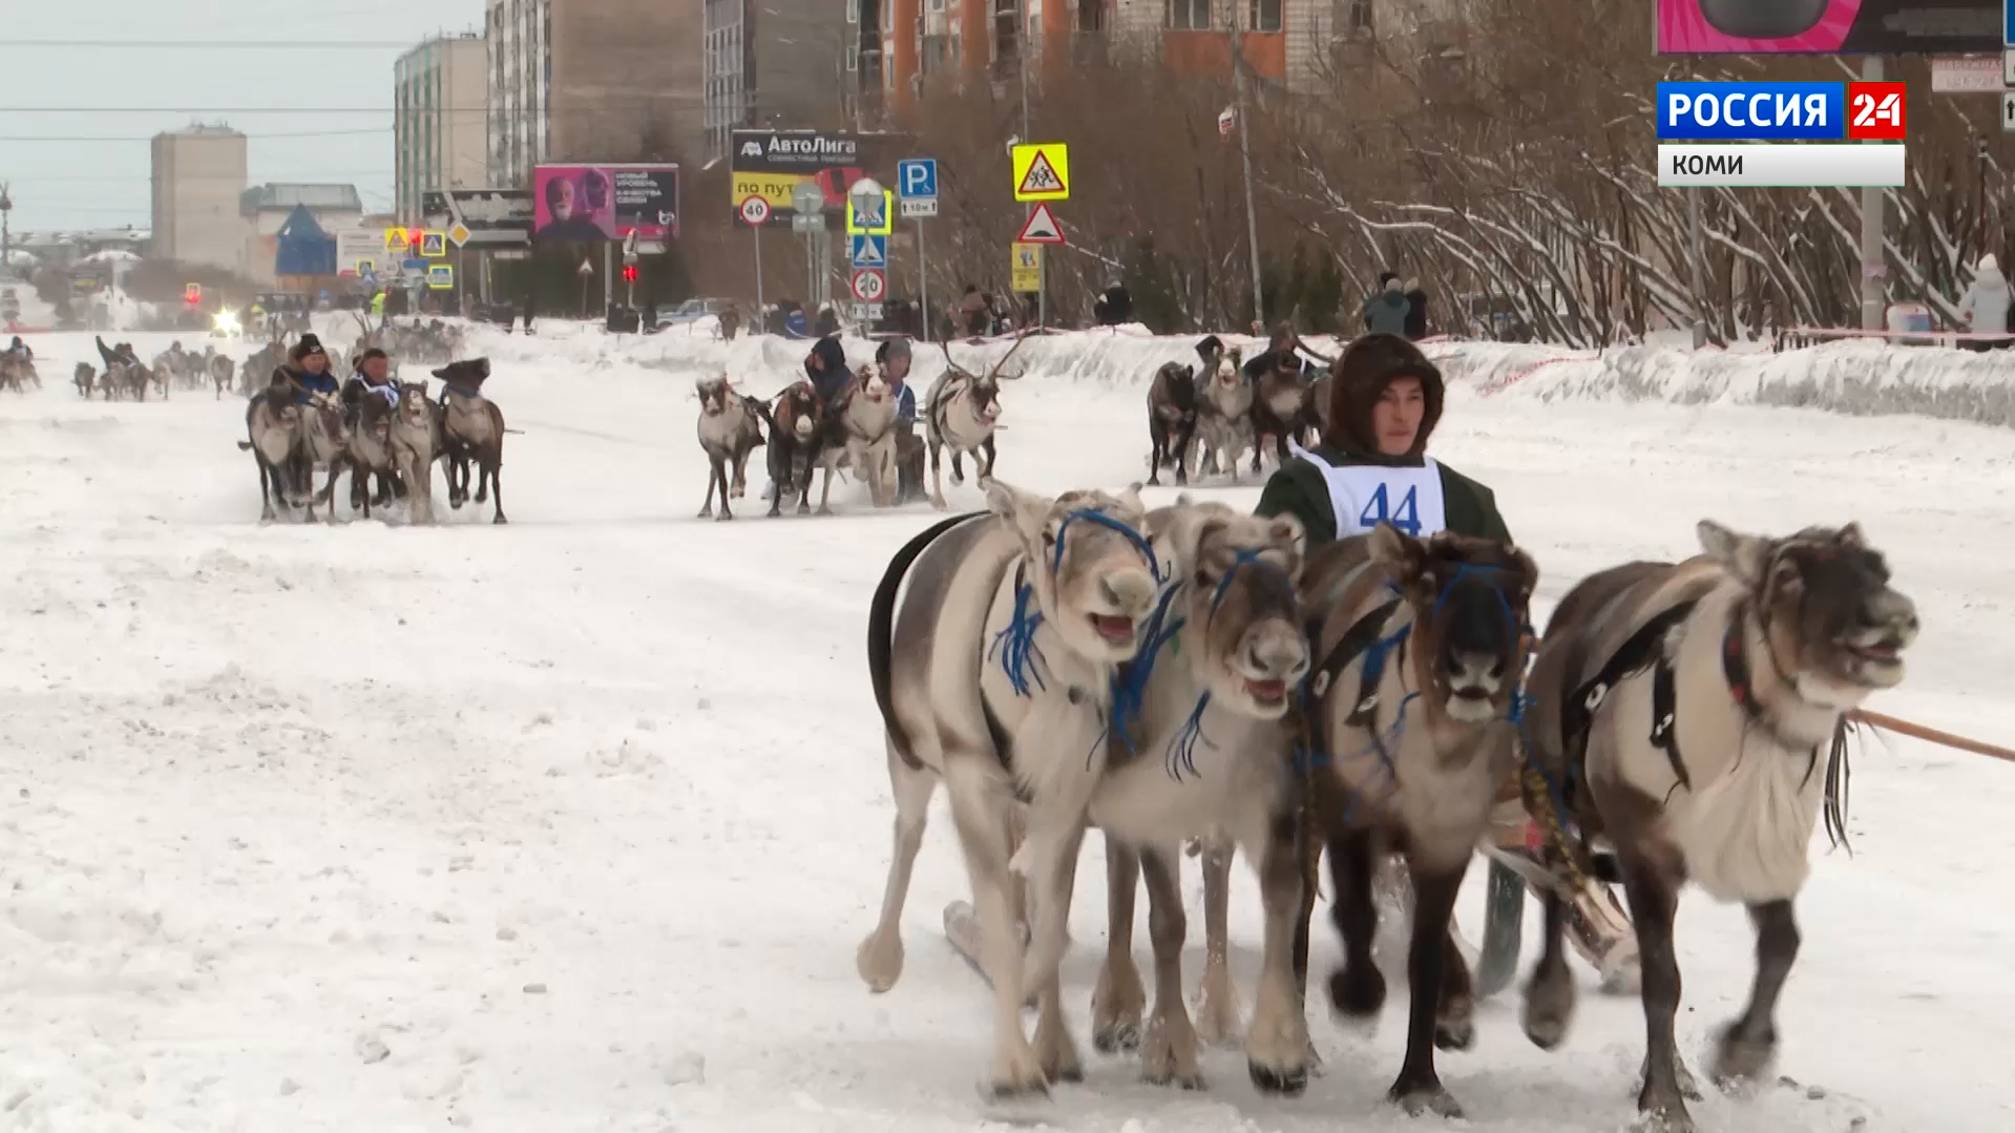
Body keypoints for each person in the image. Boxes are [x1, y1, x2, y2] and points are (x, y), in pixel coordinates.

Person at [1254, 332, 1636, 997]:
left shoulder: (1458, 495)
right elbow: (1276, 592)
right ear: (1351, 403)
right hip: (1341, 698)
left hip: (1452, 692)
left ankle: (1592, 914)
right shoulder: (1304, 485)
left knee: (1526, 772)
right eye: (1385, 400)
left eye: (1414, 399)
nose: (1402, 415)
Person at [875, 337, 924, 503]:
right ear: (885, 362)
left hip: (898, 435)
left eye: (904, 361)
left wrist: (906, 419)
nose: (900, 365)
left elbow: (909, 418)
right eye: (896, 360)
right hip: (874, 438)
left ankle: (913, 489)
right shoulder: (874, 386)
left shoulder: (906, 392)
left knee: (916, 443)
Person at [536, 174, 611, 243]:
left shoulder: (589, 230)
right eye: (557, 194)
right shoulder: (543, 234)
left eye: (567, 194)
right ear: (548, 199)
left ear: (573, 198)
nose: (563, 199)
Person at [1960, 253, 2010, 352]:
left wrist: (1969, 314)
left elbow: (1963, 307)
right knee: (2003, 363)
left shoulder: (1975, 287)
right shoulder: (2006, 286)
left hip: (1980, 333)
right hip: (2000, 332)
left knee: (1982, 363)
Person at [276, 333, 340, 406]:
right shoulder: (288, 378)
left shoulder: (331, 381)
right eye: (313, 359)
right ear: (300, 361)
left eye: (320, 358)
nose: (318, 362)